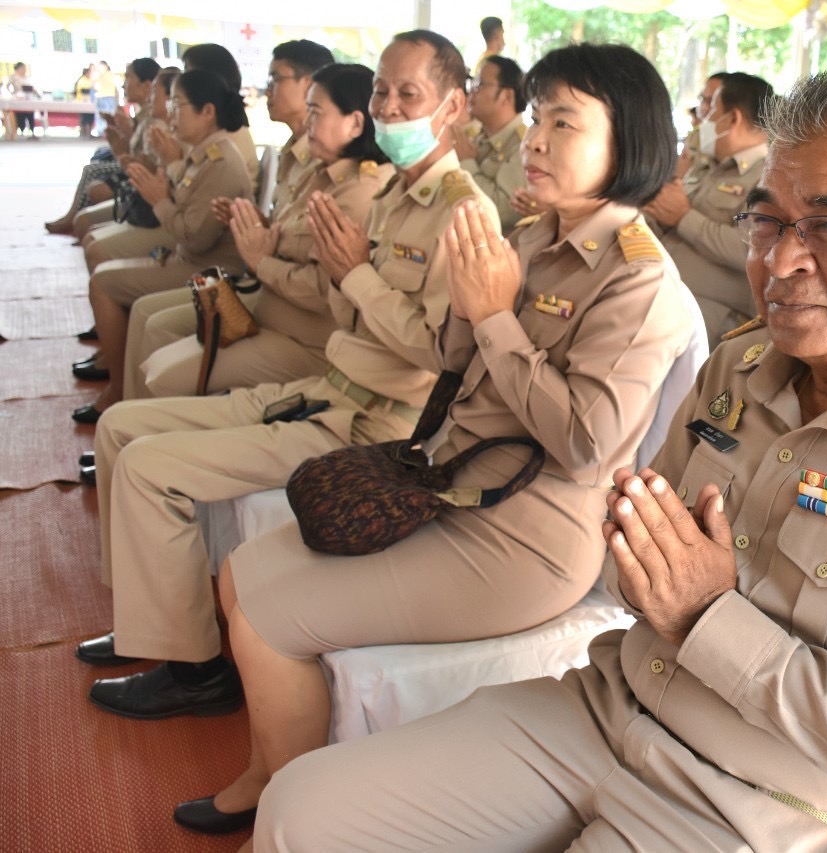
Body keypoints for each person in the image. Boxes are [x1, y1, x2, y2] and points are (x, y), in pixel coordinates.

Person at [249, 66, 827, 852]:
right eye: (766, 221)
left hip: (750, 804)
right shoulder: (741, 368)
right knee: (301, 811)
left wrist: (710, 619)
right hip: (606, 709)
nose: (781, 262)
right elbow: (639, 553)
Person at [176, 42, 694, 841]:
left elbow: (588, 443)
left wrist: (493, 316)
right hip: (448, 483)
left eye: (566, 122)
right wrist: (469, 304)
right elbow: (452, 364)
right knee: (243, 573)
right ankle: (269, 774)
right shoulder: (529, 236)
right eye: (538, 118)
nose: (538, 139)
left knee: (271, 616)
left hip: (524, 536)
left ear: (628, 145)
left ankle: (283, 800)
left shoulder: (637, 279)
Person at [76, 30, 497, 727]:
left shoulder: (464, 211)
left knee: (151, 467)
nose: (389, 108)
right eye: (383, 92)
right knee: (122, 426)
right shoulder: (394, 194)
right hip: (327, 389)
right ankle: (145, 621)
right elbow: (347, 312)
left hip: (372, 424)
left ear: (452, 107)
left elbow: (439, 354)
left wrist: (351, 272)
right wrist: (333, 272)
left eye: (408, 95)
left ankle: (194, 668)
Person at [137, 64, 394, 399]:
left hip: (305, 342)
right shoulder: (320, 172)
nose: (307, 121)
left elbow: (323, 289)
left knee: (165, 376)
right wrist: (259, 227)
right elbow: (289, 238)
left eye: (315, 112)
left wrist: (260, 262)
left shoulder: (358, 192)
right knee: (160, 355)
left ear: (355, 123)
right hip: (268, 312)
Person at [115, 40, 336, 404]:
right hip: (262, 289)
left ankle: (137, 425)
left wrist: (261, 253)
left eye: (276, 79)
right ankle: (128, 416)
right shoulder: (294, 154)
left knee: (160, 350)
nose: (267, 89)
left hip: (274, 303)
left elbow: (196, 239)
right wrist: (259, 227)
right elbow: (287, 232)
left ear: (309, 83)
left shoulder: (331, 171)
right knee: (153, 326)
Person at [70, 69, 255, 424]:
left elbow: (195, 237)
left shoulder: (220, 160)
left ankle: (123, 401)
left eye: (177, 104)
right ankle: (126, 404)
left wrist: (160, 200)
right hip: (190, 257)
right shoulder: (200, 151)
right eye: (169, 104)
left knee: (108, 284)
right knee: (116, 284)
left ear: (208, 112)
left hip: (212, 272)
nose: (170, 113)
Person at [74, 43, 260, 248]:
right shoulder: (200, 130)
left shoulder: (224, 137)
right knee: (89, 232)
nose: (182, 78)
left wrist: (165, 176)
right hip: (181, 218)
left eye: (189, 71)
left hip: (202, 237)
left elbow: (196, 227)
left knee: (95, 245)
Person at [645, 72, 773, 342]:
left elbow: (751, 248)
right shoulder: (705, 164)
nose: (704, 117)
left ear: (733, 118)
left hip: (707, 321)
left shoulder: (768, 177)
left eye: (712, 106)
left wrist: (684, 218)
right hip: (656, 294)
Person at [44, 58, 162, 235]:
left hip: (142, 174)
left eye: (128, 78)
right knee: (99, 157)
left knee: (93, 171)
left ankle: (74, 219)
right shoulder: (144, 113)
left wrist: (126, 135)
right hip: (136, 166)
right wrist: (121, 132)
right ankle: (75, 218)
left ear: (146, 86)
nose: (123, 85)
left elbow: (144, 157)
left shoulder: (155, 117)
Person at [453, 55, 526, 232]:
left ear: (507, 96)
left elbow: (504, 211)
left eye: (479, 85)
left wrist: (467, 164)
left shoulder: (523, 146)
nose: (471, 92)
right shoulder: (478, 137)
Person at [6, 61, 35, 136]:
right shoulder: (13, 76)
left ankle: (32, 130)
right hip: (18, 98)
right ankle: (21, 129)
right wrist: (12, 93)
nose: (24, 70)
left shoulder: (27, 77)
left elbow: (32, 87)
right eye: (23, 68)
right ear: (18, 68)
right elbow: (7, 85)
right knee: (20, 114)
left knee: (30, 113)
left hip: (28, 98)